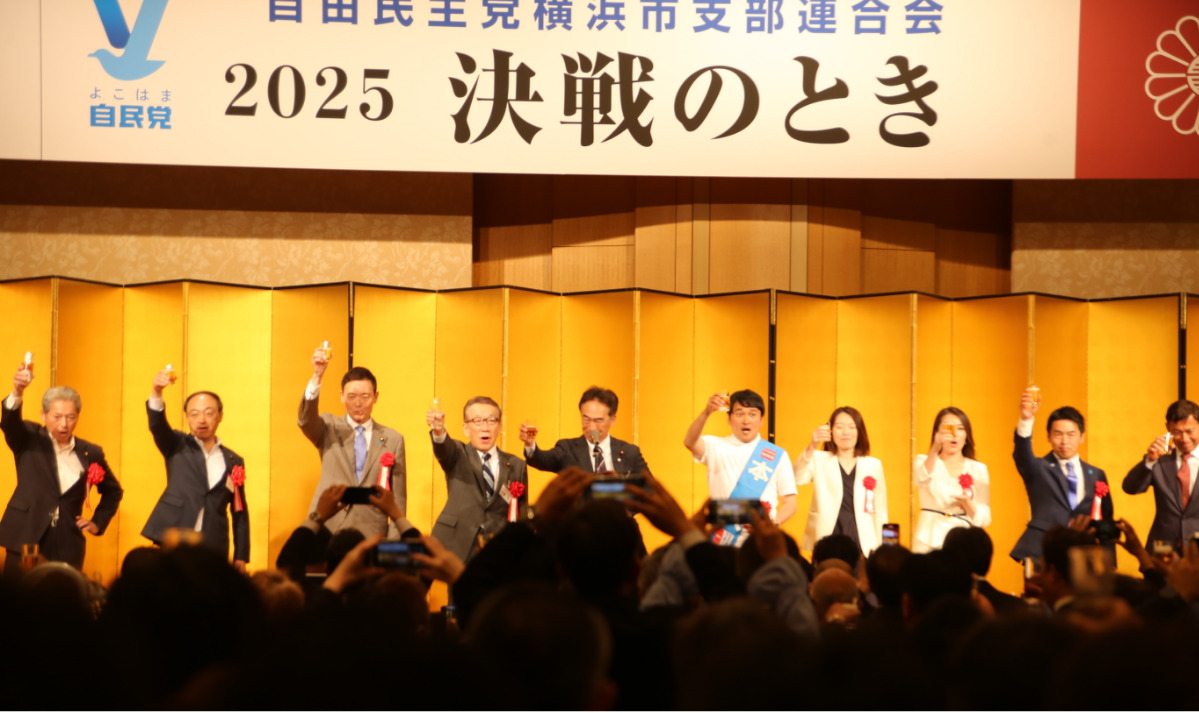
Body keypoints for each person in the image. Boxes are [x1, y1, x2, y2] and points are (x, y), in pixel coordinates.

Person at [0, 364, 122, 575]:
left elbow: (113, 491)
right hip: (29, 535)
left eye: (70, 417)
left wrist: (97, 522)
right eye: (57, 417)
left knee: (63, 590)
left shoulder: (91, 452)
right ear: (43, 415)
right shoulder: (29, 437)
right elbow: (10, 422)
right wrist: (18, 391)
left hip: (67, 541)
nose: (64, 424)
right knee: (23, 589)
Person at [142, 369, 249, 570]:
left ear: (220, 416)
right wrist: (157, 392)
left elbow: (239, 512)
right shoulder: (175, 443)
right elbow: (157, 425)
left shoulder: (234, 460)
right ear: (187, 418)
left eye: (209, 413)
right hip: (175, 536)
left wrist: (241, 556)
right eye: (194, 414)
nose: (202, 420)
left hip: (214, 542)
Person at [299, 348, 405, 537]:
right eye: (351, 396)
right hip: (328, 527)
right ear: (341, 396)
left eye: (365, 396)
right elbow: (306, 421)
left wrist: (394, 543)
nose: (358, 403)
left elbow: (398, 498)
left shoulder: (392, 439)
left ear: (376, 397)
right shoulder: (328, 427)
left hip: (372, 531)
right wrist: (317, 376)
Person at [682, 389, 797, 545]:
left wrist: (772, 524)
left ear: (761, 420)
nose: (746, 420)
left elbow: (790, 503)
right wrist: (706, 413)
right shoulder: (715, 446)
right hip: (722, 540)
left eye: (752, 414)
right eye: (739, 414)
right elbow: (689, 441)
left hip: (760, 541)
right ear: (729, 419)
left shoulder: (777, 455)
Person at [1010, 389, 1113, 562]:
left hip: (1084, 554)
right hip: (1043, 551)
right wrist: (1026, 419)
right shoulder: (1037, 467)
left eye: (1071, 434)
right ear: (1048, 436)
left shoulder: (1096, 474)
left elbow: (1106, 520)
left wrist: (1109, 561)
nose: (1065, 441)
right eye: (1058, 434)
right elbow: (1022, 453)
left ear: (1082, 437)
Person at [427, 396, 528, 562]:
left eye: (491, 420)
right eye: (477, 421)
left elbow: (521, 513)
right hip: (457, 544)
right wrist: (438, 429)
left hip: (498, 548)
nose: (485, 428)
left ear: (500, 427)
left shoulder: (517, 464)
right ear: (466, 428)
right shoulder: (457, 454)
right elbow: (443, 447)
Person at [795, 406, 888, 556]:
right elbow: (797, 478)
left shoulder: (873, 465)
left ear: (860, 431)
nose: (846, 432)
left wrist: (885, 546)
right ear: (830, 431)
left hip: (863, 539)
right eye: (839, 427)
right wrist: (812, 445)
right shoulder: (819, 459)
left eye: (852, 427)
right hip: (827, 535)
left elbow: (880, 510)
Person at [913, 407, 992, 553]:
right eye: (948, 428)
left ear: (966, 435)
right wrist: (934, 449)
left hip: (962, 540)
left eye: (960, 428)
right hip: (928, 538)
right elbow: (921, 479)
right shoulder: (923, 461)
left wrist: (968, 504)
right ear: (937, 433)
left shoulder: (978, 469)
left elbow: (985, 517)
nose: (954, 434)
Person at [519, 386, 648, 475]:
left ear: (612, 420)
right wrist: (530, 445)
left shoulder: (630, 453)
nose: (591, 427)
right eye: (586, 419)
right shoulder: (567, 449)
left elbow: (650, 490)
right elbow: (542, 460)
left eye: (598, 421)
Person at [1122, 399, 1199, 548]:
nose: (1184, 439)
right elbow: (1130, 488)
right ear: (1168, 428)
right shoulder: (1159, 459)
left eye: (1190, 431)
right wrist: (1150, 461)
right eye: (1177, 432)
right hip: (1163, 547)